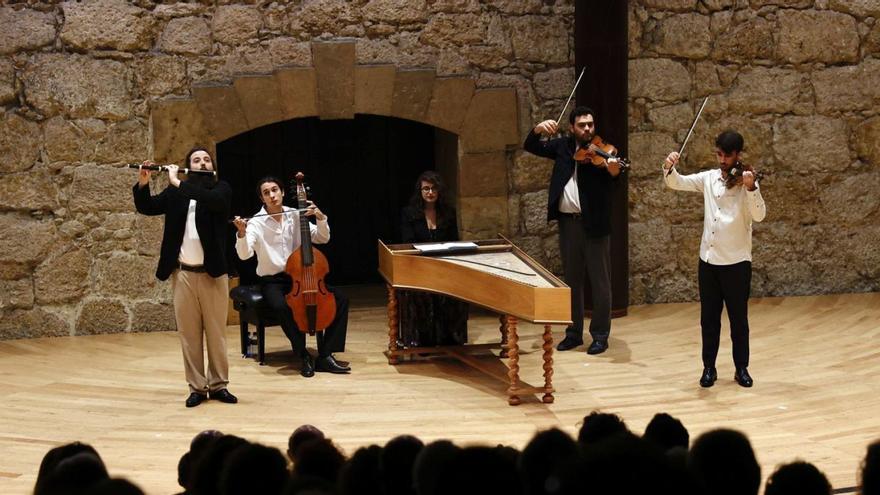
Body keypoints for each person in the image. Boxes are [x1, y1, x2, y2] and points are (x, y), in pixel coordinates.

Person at [133, 147, 237, 408]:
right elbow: (147, 207)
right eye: (195, 160)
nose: (201, 163)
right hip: (184, 275)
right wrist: (143, 182)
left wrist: (178, 183)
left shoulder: (220, 189)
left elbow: (214, 203)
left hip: (213, 274)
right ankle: (197, 388)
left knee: (216, 334)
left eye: (205, 160)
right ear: (187, 164)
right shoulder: (176, 194)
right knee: (189, 336)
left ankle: (219, 385)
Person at [663, 130, 766, 388]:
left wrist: (752, 187)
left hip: (737, 263)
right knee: (709, 319)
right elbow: (678, 183)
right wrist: (669, 167)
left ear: (737, 155)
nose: (722, 160)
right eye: (718, 154)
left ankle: (741, 368)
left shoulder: (746, 183)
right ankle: (709, 368)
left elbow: (760, 215)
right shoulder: (709, 178)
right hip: (708, 262)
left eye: (726, 156)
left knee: (738, 320)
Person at [523, 106, 621, 355]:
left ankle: (600, 335)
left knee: (600, 283)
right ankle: (574, 333)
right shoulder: (562, 147)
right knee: (572, 281)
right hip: (568, 224)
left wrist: (612, 167)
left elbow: (615, 178)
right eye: (582, 125)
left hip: (594, 225)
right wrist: (537, 129)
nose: (587, 129)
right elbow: (531, 146)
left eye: (590, 124)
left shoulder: (603, 152)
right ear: (572, 128)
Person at [234, 176, 351, 377]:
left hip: (301, 276)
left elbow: (322, 238)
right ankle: (303, 354)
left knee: (341, 298)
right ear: (262, 198)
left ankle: (325, 354)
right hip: (273, 281)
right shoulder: (255, 223)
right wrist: (242, 234)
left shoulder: (296, 215)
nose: (272, 195)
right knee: (282, 306)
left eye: (274, 190)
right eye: (266, 193)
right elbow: (244, 255)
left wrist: (320, 218)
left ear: (282, 192)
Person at [398, 171, 469, 348]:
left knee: (458, 291)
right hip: (419, 267)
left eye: (434, 189)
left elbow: (454, 240)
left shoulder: (449, 213)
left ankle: (449, 337)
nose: (430, 192)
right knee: (420, 294)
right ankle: (422, 340)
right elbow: (407, 241)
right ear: (420, 192)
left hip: (443, 266)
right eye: (426, 189)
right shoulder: (409, 213)